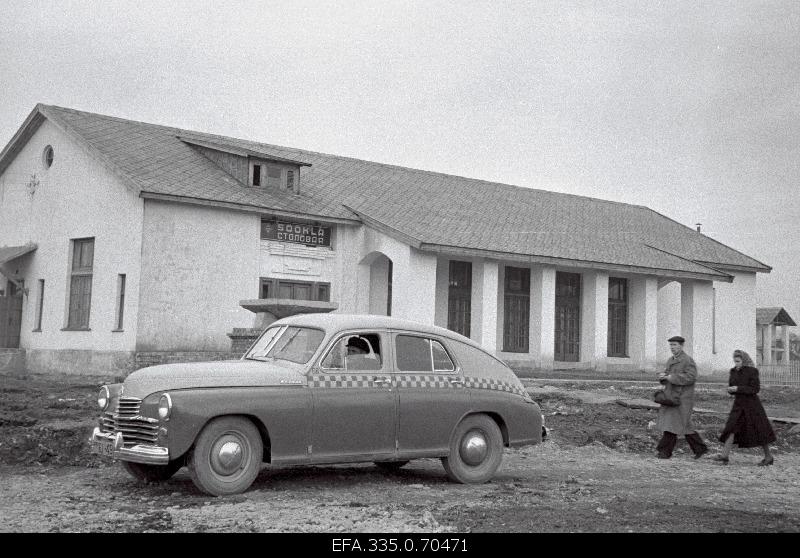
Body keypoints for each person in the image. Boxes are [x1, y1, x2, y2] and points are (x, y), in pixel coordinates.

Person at [713, 349, 776, 466]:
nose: (736, 364)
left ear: (744, 360)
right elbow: (732, 386)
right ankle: (724, 456)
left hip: (752, 406)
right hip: (738, 406)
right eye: (735, 361)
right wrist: (731, 390)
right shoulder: (733, 371)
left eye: (738, 361)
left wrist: (738, 389)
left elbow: (755, 389)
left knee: (760, 431)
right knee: (731, 428)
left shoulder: (752, 371)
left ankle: (769, 456)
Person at [655, 335, 709, 459]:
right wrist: (663, 378)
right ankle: (700, 448)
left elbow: (691, 377)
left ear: (681, 346)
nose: (672, 347)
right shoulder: (670, 360)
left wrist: (670, 377)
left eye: (675, 345)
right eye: (671, 345)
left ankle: (665, 452)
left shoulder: (688, 360)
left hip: (682, 398)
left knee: (673, 425)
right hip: (672, 397)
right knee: (683, 425)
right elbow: (668, 377)